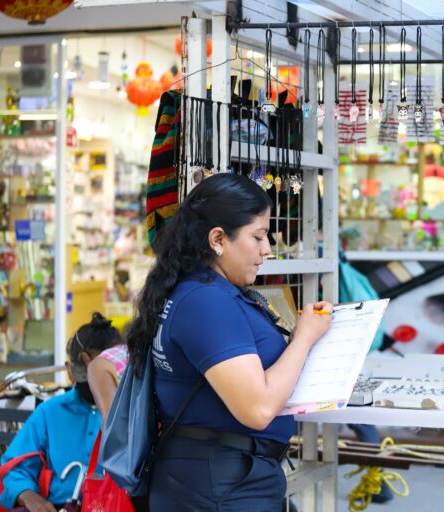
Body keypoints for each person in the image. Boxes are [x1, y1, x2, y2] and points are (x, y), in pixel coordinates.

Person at [126, 173, 333, 511]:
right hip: (217, 485)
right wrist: (305, 339)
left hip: (222, 478)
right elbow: (257, 409)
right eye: (258, 236)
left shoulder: (204, 291)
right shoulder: (205, 301)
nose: (267, 250)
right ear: (218, 239)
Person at [0, 313, 120, 512]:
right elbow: (16, 467)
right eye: (90, 369)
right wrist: (29, 496)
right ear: (70, 370)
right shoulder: (50, 412)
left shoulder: (130, 413)